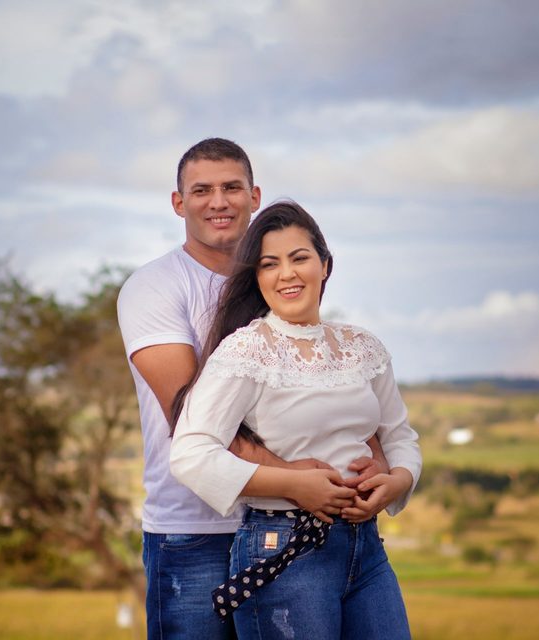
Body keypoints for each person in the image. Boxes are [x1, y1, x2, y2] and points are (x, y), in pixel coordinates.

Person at [117, 138, 388, 640]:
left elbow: (328, 388)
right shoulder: (154, 287)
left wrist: (374, 463)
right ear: (178, 202)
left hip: (292, 529)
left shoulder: (279, 281)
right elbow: (187, 413)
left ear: (254, 196)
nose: (218, 202)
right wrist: (296, 483)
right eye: (202, 190)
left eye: (232, 187)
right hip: (195, 531)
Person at [169, 201, 421, 640]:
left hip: (366, 549)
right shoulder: (246, 350)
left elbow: (400, 437)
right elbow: (190, 453)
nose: (286, 274)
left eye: (299, 258)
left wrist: (397, 481)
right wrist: (293, 484)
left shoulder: (362, 346)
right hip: (283, 546)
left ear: (325, 265)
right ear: (257, 277)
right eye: (270, 264)